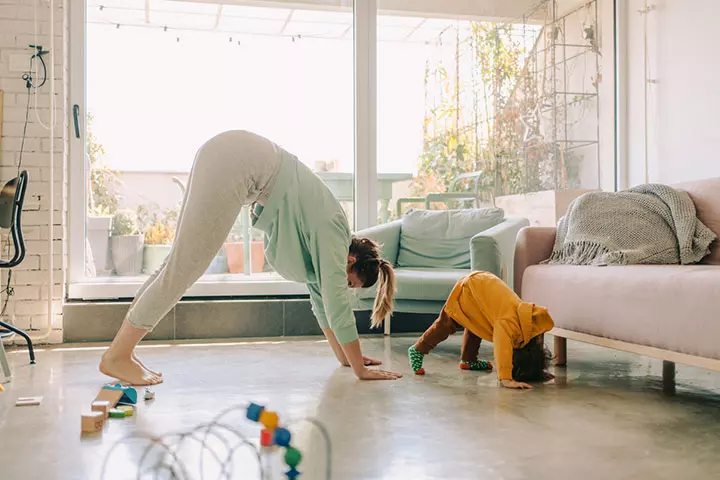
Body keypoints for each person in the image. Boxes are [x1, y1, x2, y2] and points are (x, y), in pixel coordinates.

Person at [99, 131, 402, 385]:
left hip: (229, 154)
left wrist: (345, 357)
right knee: (184, 267)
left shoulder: (326, 230)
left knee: (175, 264)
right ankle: (119, 355)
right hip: (236, 162)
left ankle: (123, 351)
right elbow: (335, 303)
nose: (342, 285)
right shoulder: (334, 231)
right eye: (349, 282)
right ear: (350, 260)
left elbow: (321, 300)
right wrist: (361, 371)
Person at [408, 271, 553, 389]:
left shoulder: (528, 321)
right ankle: (418, 349)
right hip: (469, 288)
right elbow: (503, 348)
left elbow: (537, 339)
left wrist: (539, 371)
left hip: (482, 284)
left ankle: (469, 360)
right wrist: (506, 378)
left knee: (479, 324)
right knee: (446, 323)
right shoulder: (508, 323)